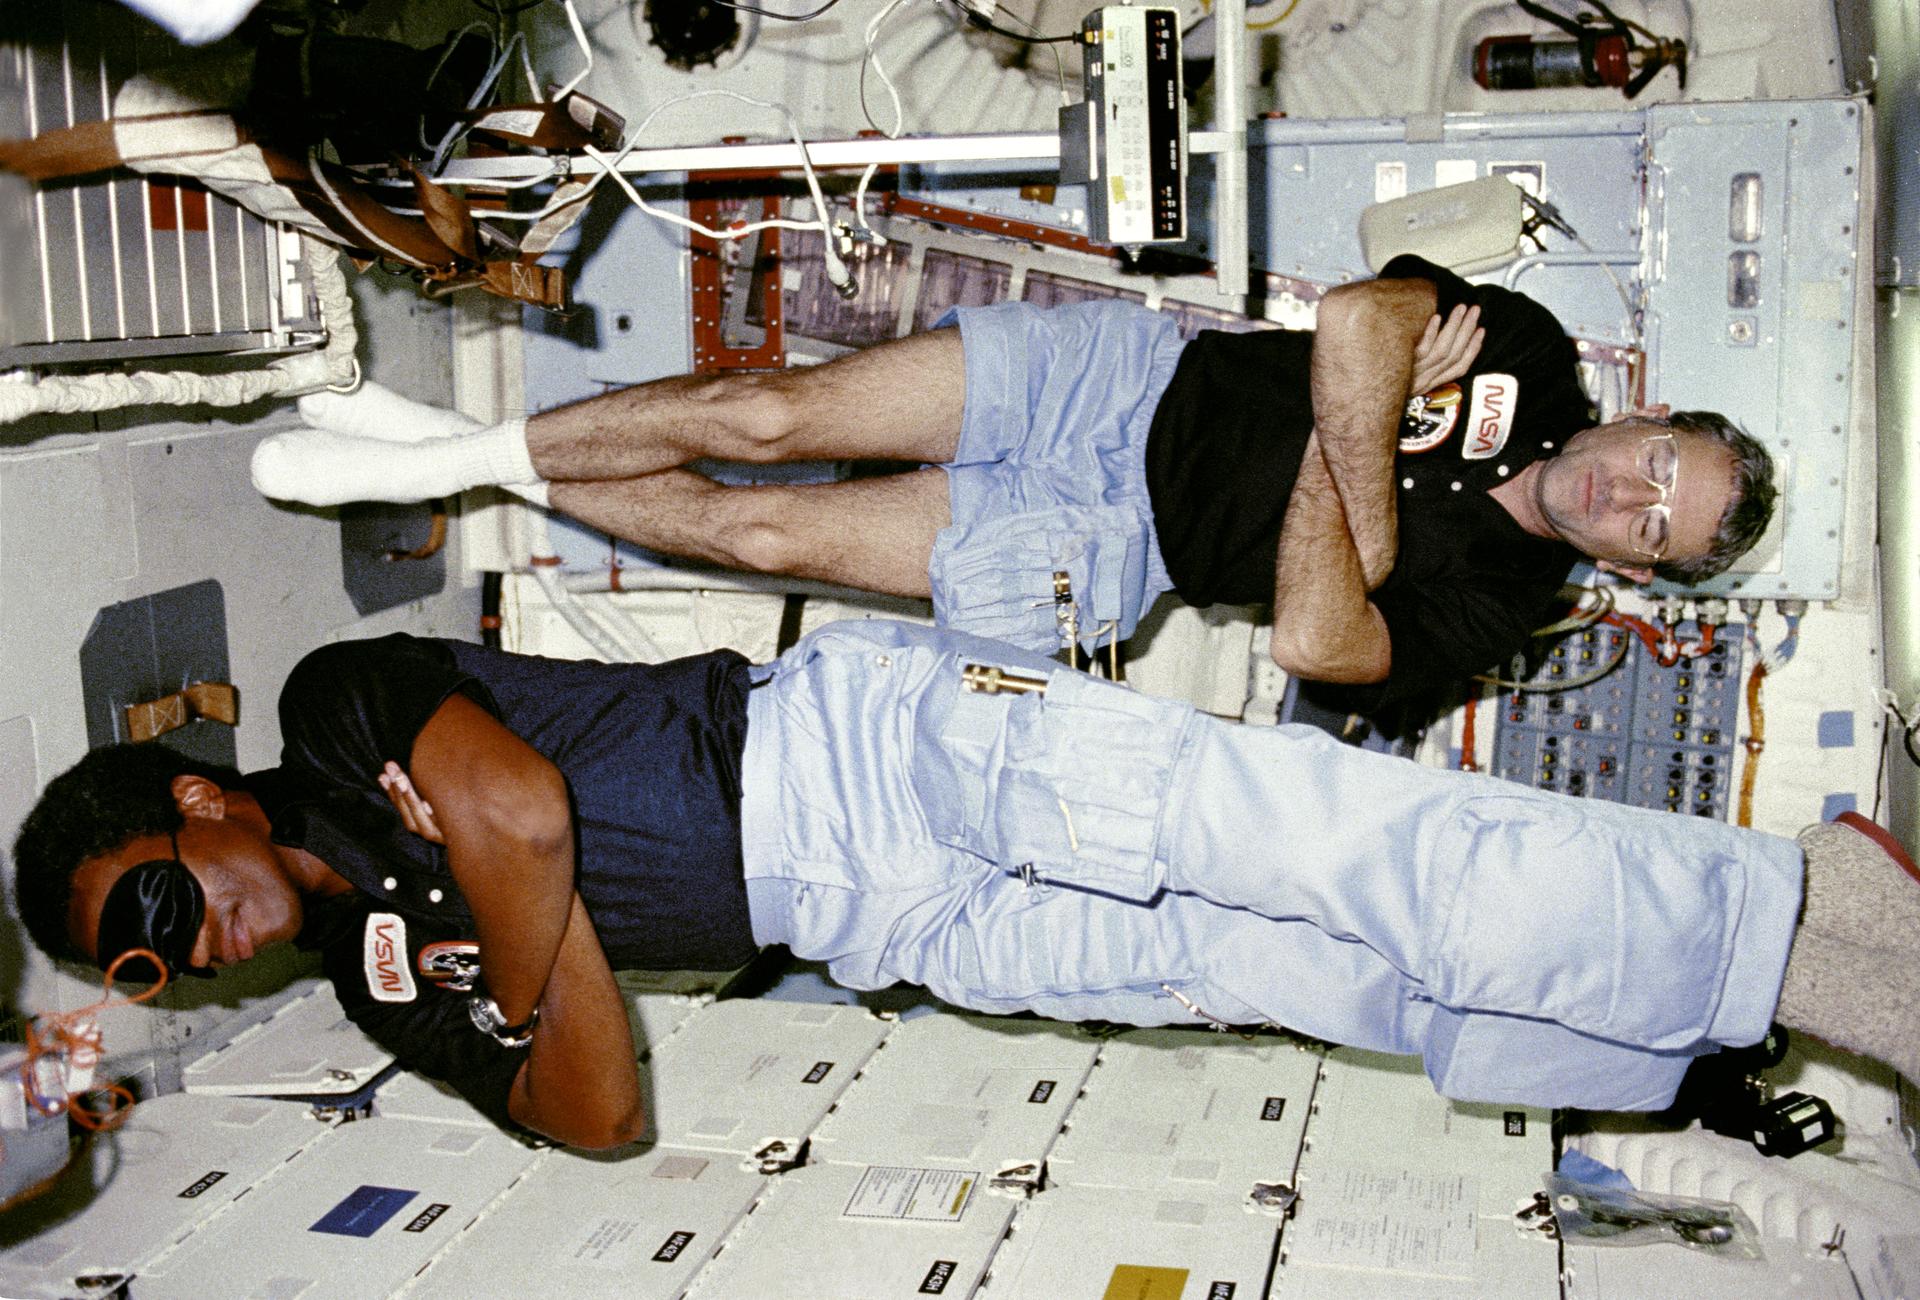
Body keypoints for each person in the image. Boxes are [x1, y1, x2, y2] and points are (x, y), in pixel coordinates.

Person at [16, 620, 1910, 1151]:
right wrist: (535, 923)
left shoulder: (345, 712)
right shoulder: (368, 985)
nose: (188, 950)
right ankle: (1682, 1042)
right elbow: (593, 1116)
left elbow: (514, 817)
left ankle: (1832, 929)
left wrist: (519, 941)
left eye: (159, 905)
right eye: (145, 968)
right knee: (1323, 981)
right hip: (883, 927)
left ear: (199, 802)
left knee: (1363, 851)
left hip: (868, 752)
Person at [250, 255, 1777, 712]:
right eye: (1661, 466)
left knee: (758, 525)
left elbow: (1322, 647)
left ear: (1642, 573)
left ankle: (471, 472)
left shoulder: (1502, 604)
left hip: (1105, 554)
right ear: (1643, 416)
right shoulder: (1538, 354)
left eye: (1661, 527)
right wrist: (1357, 495)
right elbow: (1369, 315)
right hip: (1121, 380)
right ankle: (444, 451)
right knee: (773, 416)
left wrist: (1354, 443)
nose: (1631, 500)